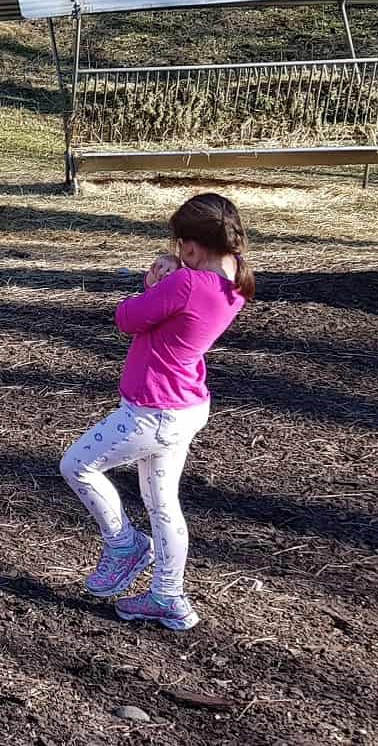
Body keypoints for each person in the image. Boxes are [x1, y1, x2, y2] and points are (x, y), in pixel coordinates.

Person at [59, 192, 254, 631]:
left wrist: (152, 286)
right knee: (163, 503)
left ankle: (124, 544)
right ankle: (168, 596)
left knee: (77, 466)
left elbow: (127, 318)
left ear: (190, 245)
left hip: (152, 410)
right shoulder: (235, 282)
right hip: (186, 405)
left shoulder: (185, 284)